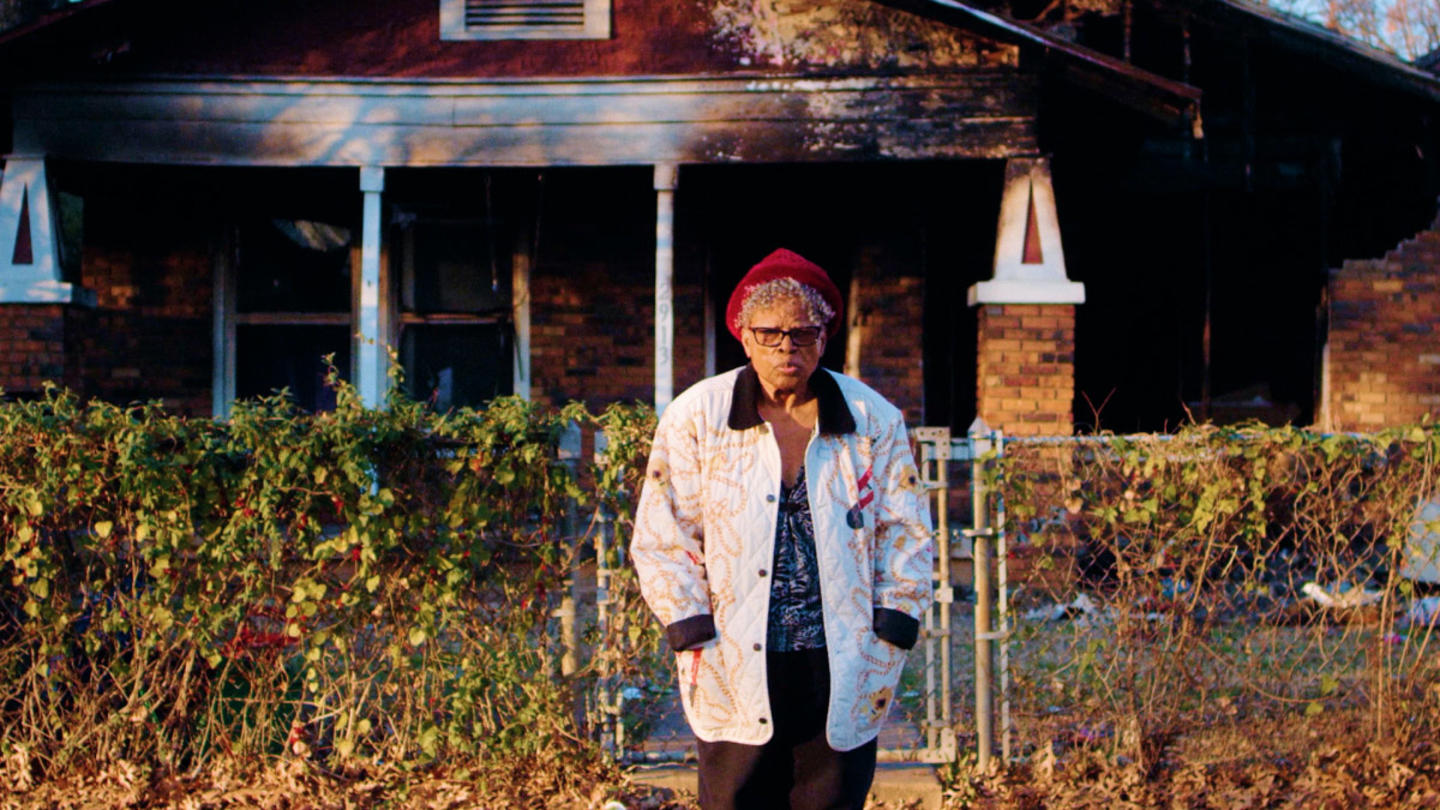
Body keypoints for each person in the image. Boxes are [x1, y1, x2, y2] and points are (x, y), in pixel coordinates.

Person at [631, 248, 934, 810]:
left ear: (825, 337)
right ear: (743, 337)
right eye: (769, 333)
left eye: (802, 333)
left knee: (832, 798)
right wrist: (690, 626)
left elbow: (907, 529)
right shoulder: (698, 415)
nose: (785, 347)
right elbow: (661, 533)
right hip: (732, 652)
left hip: (841, 653)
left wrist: (891, 627)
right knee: (735, 799)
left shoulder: (873, 419)